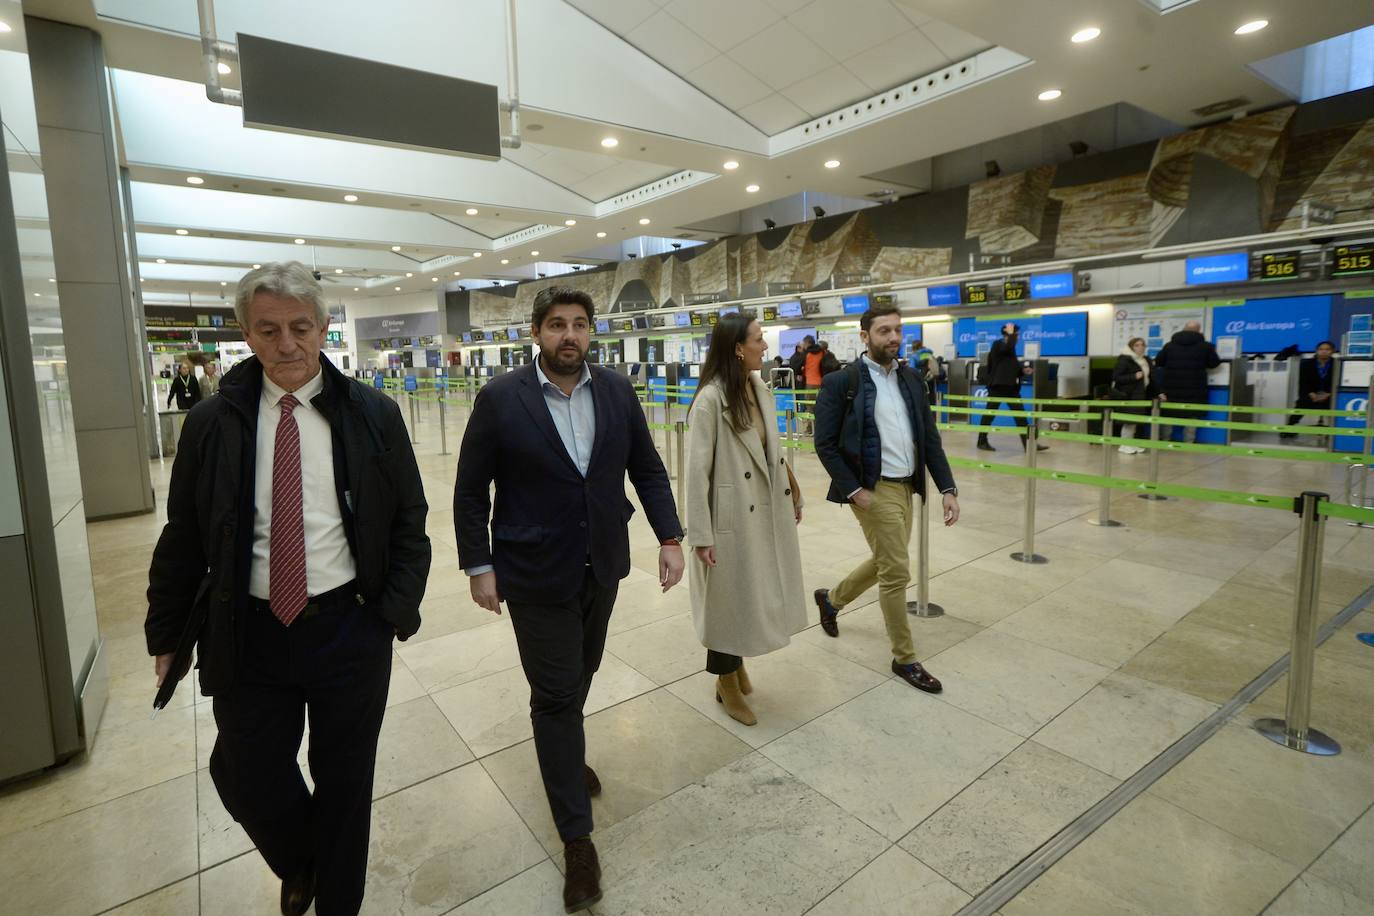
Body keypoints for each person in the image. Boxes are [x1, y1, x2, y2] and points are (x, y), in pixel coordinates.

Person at [145, 262, 430, 916]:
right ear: (247, 334)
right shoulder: (213, 423)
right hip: (250, 631)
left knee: (345, 783)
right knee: (242, 774)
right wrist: (165, 634)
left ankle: (338, 900)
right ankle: (305, 859)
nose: (288, 344)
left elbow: (409, 519)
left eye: (301, 327)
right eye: (268, 330)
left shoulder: (372, 415)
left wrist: (391, 610)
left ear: (324, 327)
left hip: (349, 628)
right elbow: (183, 533)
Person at [454, 287, 684, 914]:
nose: (569, 336)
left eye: (580, 325)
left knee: (582, 672)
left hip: (601, 563)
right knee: (556, 694)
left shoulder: (614, 390)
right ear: (536, 332)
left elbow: (648, 467)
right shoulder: (502, 398)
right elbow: (471, 488)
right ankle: (576, 836)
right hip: (532, 570)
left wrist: (670, 536)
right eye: (557, 325)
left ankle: (565, 749)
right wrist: (479, 564)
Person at [811, 303, 960, 694]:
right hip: (872, 490)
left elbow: (929, 437)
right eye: (883, 331)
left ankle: (832, 600)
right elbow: (824, 444)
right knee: (896, 572)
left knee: (885, 560)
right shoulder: (842, 383)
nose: (893, 337)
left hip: (906, 486)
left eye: (897, 330)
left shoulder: (912, 379)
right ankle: (905, 657)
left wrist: (947, 488)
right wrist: (854, 490)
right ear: (865, 336)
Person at [686, 315, 805, 727]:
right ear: (738, 347)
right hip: (729, 516)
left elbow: (770, 446)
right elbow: (695, 473)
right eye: (759, 340)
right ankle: (725, 682)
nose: (765, 347)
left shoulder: (759, 389)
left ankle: (734, 667)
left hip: (762, 506)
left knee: (749, 593)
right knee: (727, 600)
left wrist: (791, 484)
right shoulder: (710, 401)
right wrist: (700, 534)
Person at [976, 323, 1044, 452]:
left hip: (1010, 389)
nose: (1018, 337)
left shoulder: (1010, 349)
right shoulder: (998, 345)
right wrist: (1011, 333)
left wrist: (1023, 370)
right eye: (1016, 335)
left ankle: (1029, 445)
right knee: (989, 416)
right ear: (1008, 335)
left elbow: (1010, 366)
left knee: (1021, 417)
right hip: (997, 387)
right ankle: (981, 441)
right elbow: (1005, 350)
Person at [1154, 320, 1220, 443]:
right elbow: (1214, 363)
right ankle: (1188, 442)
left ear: (1183, 329)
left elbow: (1159, 362)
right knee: (1192, 415)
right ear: (1199, 331)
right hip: (1195, 388)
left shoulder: (1169, 345)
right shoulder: (1206, 346)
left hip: (1171, 387)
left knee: (1169, 414)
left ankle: (1165, 440)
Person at [1281, 340, 1337, 438]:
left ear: (1332, 351)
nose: (1324, 351)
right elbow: (1303, 382)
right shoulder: (1306, 363)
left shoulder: (1337, 363)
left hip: (1330, 395)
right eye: (1321, 349)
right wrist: (1312, 394)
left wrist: (1329, 394)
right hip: (1310, 394)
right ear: (1316, 351)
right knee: (1302, 403)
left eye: (1327, 349)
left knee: (1337, 404)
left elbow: (1337, 382)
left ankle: (1335, 432)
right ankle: (1289, 429)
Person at [1111, 337, 1155, 454]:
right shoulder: (1125, 359)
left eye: (1142, 345)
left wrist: (1158, 392)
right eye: (1137, 345)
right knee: (1129, 421)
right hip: (1128, 395)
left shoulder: (1145, 360)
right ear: (1131, 347)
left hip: (1140, 394)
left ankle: (1131, 443)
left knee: (1135, 421)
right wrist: (1133, 376)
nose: (1140, 347)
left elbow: (1151, 378)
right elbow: (1116, 377)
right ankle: (1124, 444)